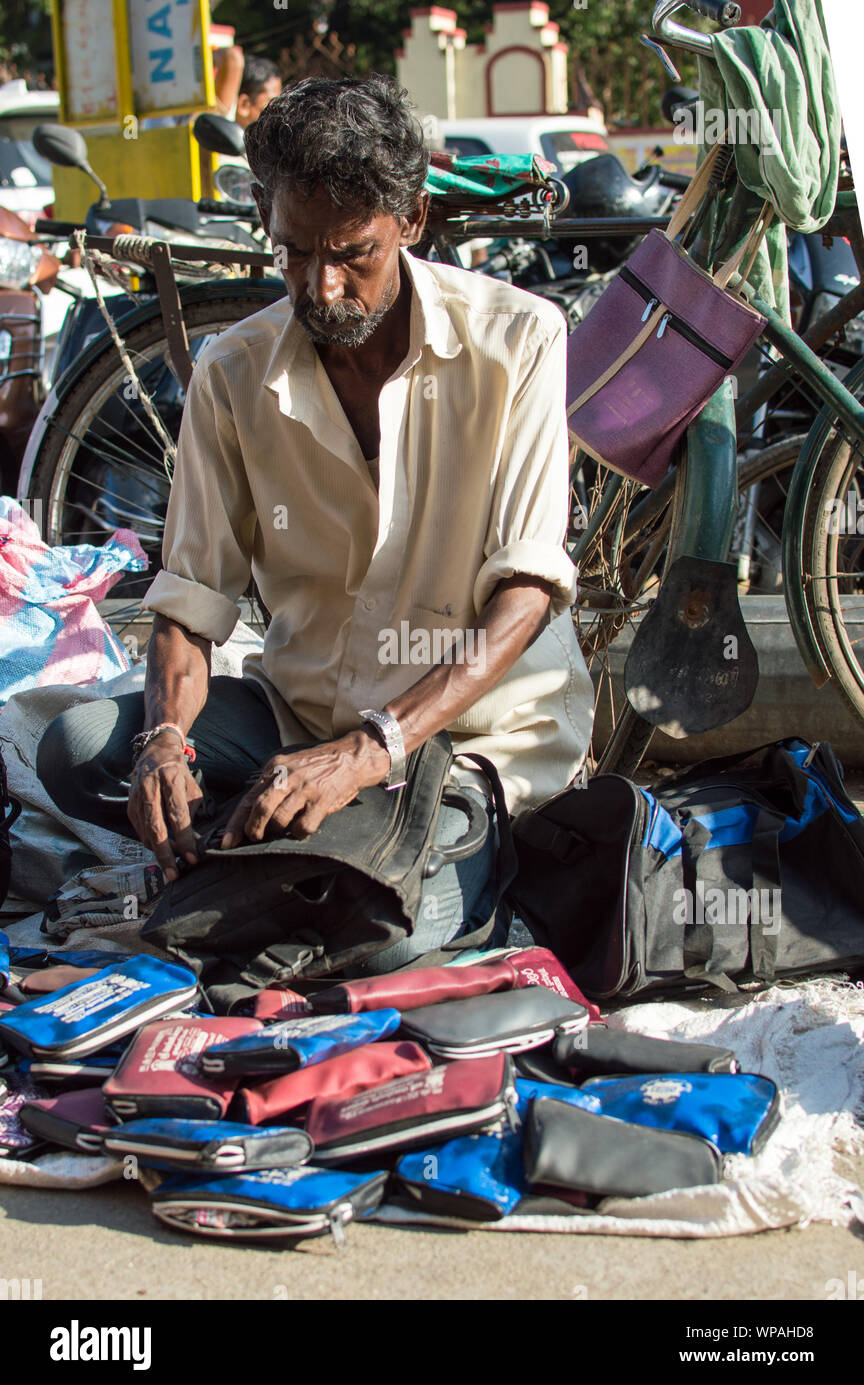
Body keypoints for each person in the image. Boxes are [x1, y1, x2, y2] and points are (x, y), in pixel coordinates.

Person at [37, 75, 594, 970]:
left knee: (379, 943)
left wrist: (374, 749)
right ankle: (277, 847)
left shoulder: (518, 340)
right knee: (80, 750)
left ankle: (329, 854)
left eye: (351, 252)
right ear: (267, 221)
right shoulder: (232, 369)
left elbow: (524, 596)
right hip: (300, 721)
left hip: (468, 736)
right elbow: (189, 599)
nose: (318, 284)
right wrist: (165, 742)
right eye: (293, 252)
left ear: (411, 219)